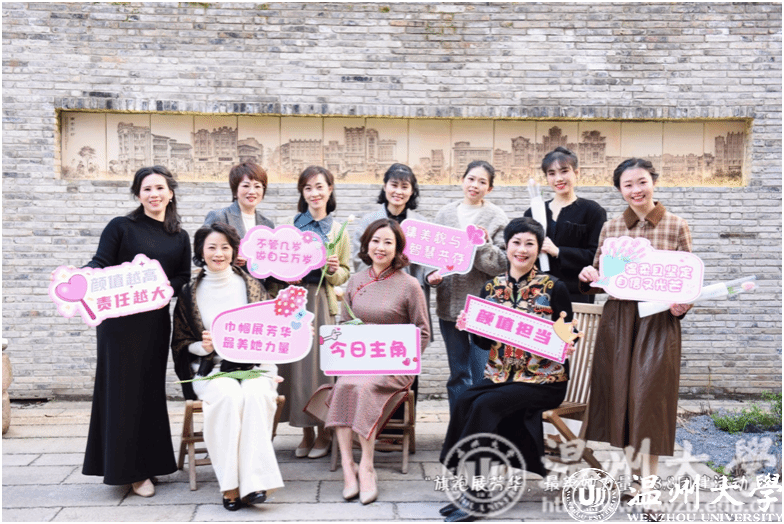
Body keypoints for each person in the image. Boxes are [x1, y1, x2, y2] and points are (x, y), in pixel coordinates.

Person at [438, 217, 576, 522]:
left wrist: (567, 341)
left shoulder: (554, 287)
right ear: (506, 246)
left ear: (539, 248)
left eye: (529, 244)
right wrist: (470, 327)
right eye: (516, 243)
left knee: (486, 404)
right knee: (465, 399)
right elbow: (484, 344)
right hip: (502, 375)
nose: (522, 250)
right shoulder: (491, 287)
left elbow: (568, 333)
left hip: (543, 380)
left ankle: (478, 493)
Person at [578, 158, 693, 512]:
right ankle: (635, 483)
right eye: (628, 185)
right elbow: (602, 277)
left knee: (650, 403)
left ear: (653, 182)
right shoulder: (611, 228)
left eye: (642, 182)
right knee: (622, 402)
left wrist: (682, 305)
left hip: (658, 320)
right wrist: (588, 276)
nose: (636, 190)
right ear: (619, 190)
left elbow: (687, 278)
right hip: (620, 320)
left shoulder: (676, 225)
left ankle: (651, 490)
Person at [81, 166, 191, 497]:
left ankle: (151, 462)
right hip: (118, 324)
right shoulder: (121, 227)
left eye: (159, 188)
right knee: (122, 393)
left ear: (170, 193)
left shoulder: (179, 236)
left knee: (149, 392)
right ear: (137, 194)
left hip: (154, 323)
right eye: (146, 189)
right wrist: (79, 277)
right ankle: (130, 471)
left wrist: (158, 287)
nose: (154, 194)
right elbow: (100, 263)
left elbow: (183, 278)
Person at [305, 218, 430, 505]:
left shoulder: (410, 285)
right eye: (375, 240)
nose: (380, 247)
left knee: (362, 388)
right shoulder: (356, 281)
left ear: (397, 248)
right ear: (367, 244)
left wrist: (405, 359)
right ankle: (348, 465)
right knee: (344, 385)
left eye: (388, 242)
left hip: (392, 365)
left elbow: (422, 331)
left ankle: (367, 466)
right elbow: (345, 324)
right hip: (358, 361)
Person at [171, 222, 284, 511]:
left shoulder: (252, 286)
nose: (218, 253)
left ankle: (255, 483)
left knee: (257, 394)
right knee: (229, 397)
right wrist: (203, 347)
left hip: (252, 366)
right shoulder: (188, 292)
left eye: (225, 247)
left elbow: (269, 332)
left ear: (234, 251)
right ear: (201, 251)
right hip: (211, 370)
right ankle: (230, 484)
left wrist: (271, 370)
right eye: (211, 247)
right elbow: (181, 342)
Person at [277, 165, 351, 459]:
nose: (314, 193)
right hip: (293, 302)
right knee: (296, 368)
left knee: (320, 369)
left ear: (330, 190)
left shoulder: (338, 230)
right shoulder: (289, 226)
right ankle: (305, 432)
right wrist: (286, 274)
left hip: (321, 302)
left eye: (320, 187)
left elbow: (345, 272)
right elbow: (276, 266)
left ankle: (325, 432)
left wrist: (333, 271)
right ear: (302, 192)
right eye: (308, 188)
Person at [427, 160, 508, 413]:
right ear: (462, 180)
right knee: (459, 372)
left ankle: (481, 423)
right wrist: (433, 276)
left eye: (482, 182)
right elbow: (433, 257)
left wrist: (482, 245)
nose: (475, 185)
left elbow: (501, 265)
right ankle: (459, 426)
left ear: (490, 188)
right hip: (449, 306)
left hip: (483, 307)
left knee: (482, 371)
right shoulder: (444, 214)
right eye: (471, 179)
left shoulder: (496, 217)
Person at [524, 147, 606, 303]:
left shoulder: (592, 211)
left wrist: (558, 251)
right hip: (538, 293)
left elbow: (597, 256)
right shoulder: (532, 213)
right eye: (552, 173)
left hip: (576, 295)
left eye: (564, 171)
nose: (558, 179)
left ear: (576, 172)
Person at [203, 162, 282, 295]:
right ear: (235, 190)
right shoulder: (219, 217)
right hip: (224, 292)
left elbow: (267, 267)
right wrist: (228, 259)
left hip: (256, 295)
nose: (252, 191)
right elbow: (200, 254)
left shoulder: (267, 225)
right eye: (246, 185)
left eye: (257, 186)